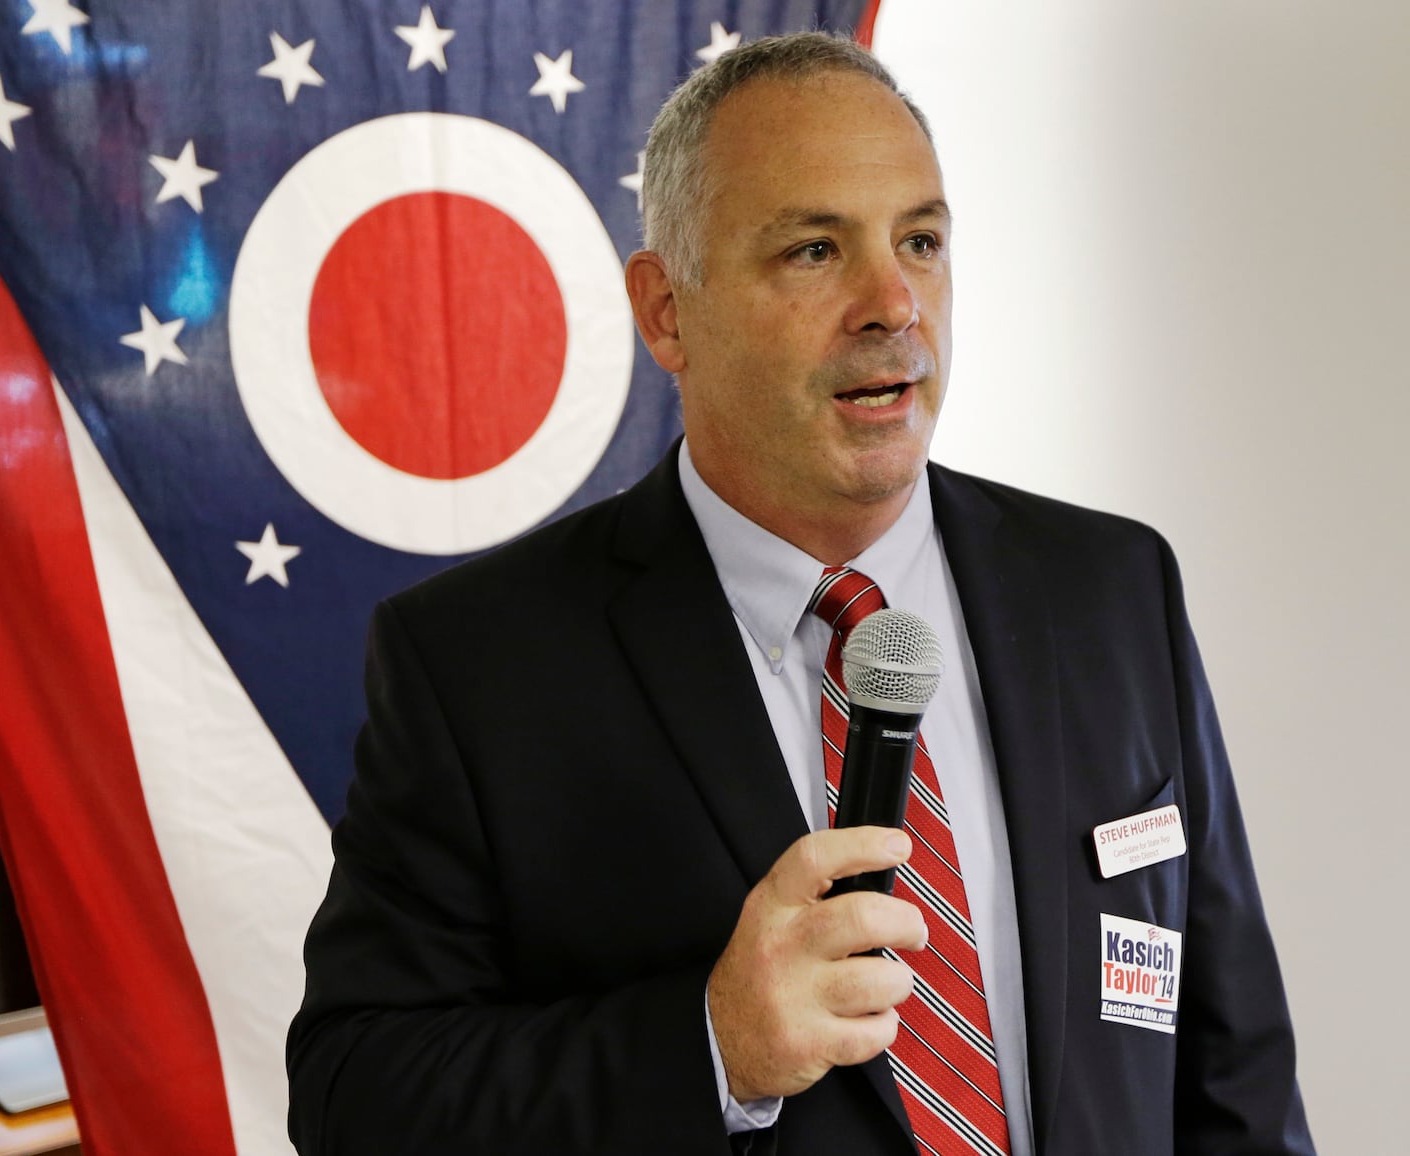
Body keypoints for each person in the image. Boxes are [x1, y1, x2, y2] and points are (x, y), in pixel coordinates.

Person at [288, 32, 1313, 1155]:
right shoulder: (478, 663)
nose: (892, 302)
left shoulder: (1111, 588)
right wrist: (711, 1044)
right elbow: (354, 1096)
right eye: (814, 250)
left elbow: (1234, 1070)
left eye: (920, 240)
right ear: (667, 310)